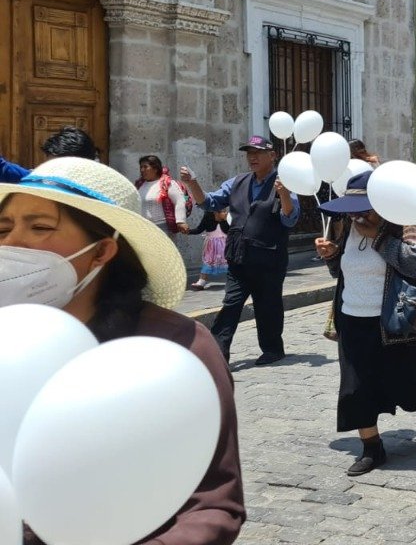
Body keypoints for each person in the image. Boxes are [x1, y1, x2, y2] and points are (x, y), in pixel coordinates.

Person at [0, 157, 244, 543]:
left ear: (101, 252)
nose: (11, 244)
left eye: (41, 227)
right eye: (3, 227)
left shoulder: (176, 350)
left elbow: (211, 507)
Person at [314, 171, 416, 476]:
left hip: (395, 323)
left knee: (399, 385)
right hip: (352, 318)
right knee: (355, 388)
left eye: (364, 209)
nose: (357, 215)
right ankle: (372, 448)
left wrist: (379, 237)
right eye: (353, 210)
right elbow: (343, 273)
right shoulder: (347, 227)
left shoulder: (405, 224)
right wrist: (331, 256)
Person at [180, 136, 300, 364]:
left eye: (258, 152)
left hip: (269, 257)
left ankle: (273, 349)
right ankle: (218, 353)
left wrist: (284, 194)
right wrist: (192, 183)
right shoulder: (237, 181)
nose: (252, 157)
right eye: (248, 153)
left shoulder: (284, 183)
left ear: (272, 155)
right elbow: (209, 202)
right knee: (231, 304)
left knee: (268, 305)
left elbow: (290, 219)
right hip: (238, 256)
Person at [135, 155, 192, 239]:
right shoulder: (140, 185)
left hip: (163, 229)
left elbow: (180, 201)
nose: (142, 170)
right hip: (144, 229)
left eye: (145, 167)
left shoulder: (167, 183)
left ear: (155, 169)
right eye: (141, 167)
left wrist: (181, 221)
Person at [189, 208, 229, 291]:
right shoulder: (207, 218)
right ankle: (202, 281)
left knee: (229, 262)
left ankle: (234, 281)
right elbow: (199, 229)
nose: (226, 213)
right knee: (208, 261)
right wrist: (188, 231)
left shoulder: (228, 220)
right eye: (223, 211)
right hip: (211, 247)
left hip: (225, 245)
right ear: (215, 213)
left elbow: (233, 230)